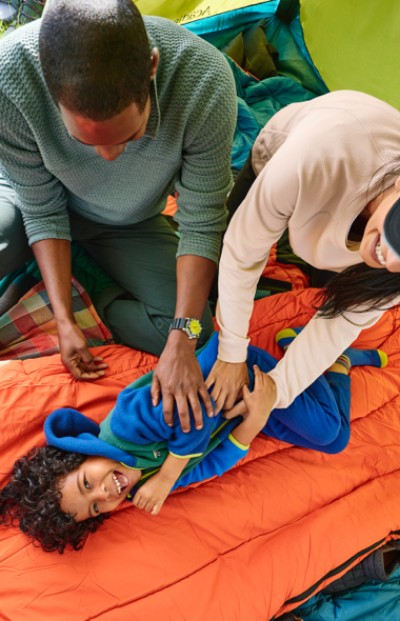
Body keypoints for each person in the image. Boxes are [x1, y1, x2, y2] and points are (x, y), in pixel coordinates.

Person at [0, 0, 237, 432]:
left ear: (151, 66)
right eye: (83, 140)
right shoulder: (10, 76)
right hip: (26, 201)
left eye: (129, 135)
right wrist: (64, 321)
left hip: (128, 221)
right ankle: (65, 282)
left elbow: (202, 221)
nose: (107, 157)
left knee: (194, 329)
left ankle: (91, 284)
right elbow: (41, 206)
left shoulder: (204, 80)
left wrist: (181, 336)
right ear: (48, 88)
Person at [0, 330, 386, 553]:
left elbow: (193, 419)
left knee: (328, 432)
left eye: (88, 483)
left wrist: (168, 474)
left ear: (80, 455)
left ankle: (318, 352)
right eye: (97, 507)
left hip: (228, 366)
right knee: (334, 441)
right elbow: (208, 464)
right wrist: (255, 420)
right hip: (236, 409)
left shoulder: (127, 425)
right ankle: (333, 361)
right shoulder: (141, 488)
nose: (105, 492)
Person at [206, 89, 400, 416]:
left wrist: (277, 391)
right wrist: (231, 352)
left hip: (333, 201)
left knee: (324, 287)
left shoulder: (389, 259)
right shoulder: (308, 161)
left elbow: (344, 320)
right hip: (286, 151)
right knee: (215, 267)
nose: (391, 262)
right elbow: (242, 253)